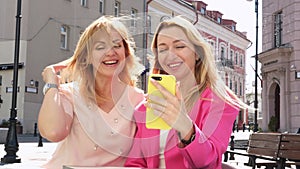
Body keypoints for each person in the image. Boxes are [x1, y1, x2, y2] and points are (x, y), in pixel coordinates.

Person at [125, 16, 247, 169]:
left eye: (179, 46)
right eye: (163, 49)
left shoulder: (221, 102)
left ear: (197, 53)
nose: (171, 55)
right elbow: (135, 162)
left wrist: (184, 125)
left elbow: (208, 162)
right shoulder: (146, 106)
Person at [38, 16, 145, 169]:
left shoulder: (139, 99)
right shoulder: (69, 94)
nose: (110, 52)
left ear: (126, 52)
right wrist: (51, 82)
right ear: (87, 57)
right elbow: (53, 132)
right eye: (100, 47)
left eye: (117, 45)